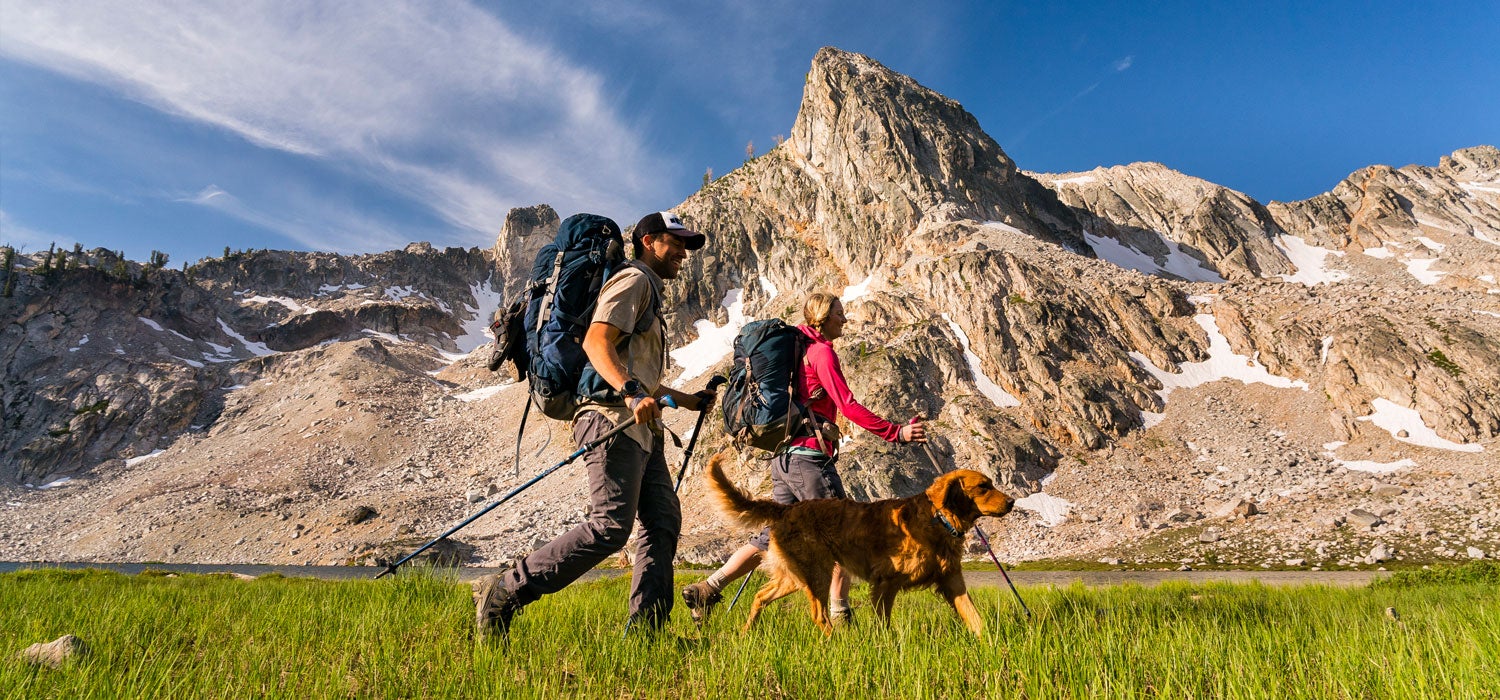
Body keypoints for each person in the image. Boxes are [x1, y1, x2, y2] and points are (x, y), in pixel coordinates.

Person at [475, 211, 714, 639]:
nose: (682, 252)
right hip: (611, 418)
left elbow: (641, 374)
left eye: (686, 246)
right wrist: (630, 392)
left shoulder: (649, 292)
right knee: (610, 527)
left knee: (662, 522)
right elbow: (596, 342)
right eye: (675, 242)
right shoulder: (633, 281)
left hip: (640, 428)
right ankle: (504, 592)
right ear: (647, 241)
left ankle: (647, 637)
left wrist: (690, 400)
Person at [681, 291, 927, 625]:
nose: (844, 319)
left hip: (782, 459)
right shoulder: (821, 352)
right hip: (808, 459)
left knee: (773, 535)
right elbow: (848, 405)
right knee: (843, 534)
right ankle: (841, 621)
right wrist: (895, 432)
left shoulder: (796, 351)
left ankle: (709, 587)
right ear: (824, 317)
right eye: (839, 313)